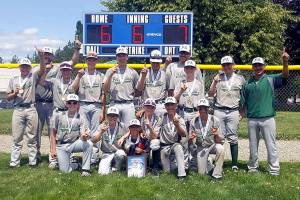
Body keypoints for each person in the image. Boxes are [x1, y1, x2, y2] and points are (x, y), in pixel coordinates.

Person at [240, 51, 290, 176]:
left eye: (260, 65)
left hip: (268, 118)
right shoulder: (247, 84)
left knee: (271, 145)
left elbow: (285, 76)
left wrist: (285, 62)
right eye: (255, 65)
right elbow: (244, 102)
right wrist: (241, 114)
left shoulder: (270, 79)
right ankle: (252, 168)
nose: (258, 67)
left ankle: (274, 169)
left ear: (264, 67)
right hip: (252, 119)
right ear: (252, 67)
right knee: (252, 146)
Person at [34, 39, 81, 162]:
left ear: (52, 56)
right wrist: (44, 69)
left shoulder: (58, 69)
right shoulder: (36, 68)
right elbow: (39, 82)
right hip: (38, 102)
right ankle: (36, 155)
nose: (47, 57)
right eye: (45, 54)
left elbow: (73, 62)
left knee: (53, 131)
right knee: (37, 131)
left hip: (52, 104)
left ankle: (53, 155)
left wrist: (76, 49)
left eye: (48, 55)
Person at [6, 57, 45, 168]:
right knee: (16, 137)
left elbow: (42, 69)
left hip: (31, 108)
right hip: (18, 109)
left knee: (32, 137)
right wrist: (14, 94)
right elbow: (8, 97)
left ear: (29, 68)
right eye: (22, 66)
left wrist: (40, 55)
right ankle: (14, 162)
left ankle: (32, 162)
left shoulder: (32, 77)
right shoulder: (13, 79)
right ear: (19, 67)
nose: (24, 68)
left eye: (26, 66)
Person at [208, 56, 245, 171]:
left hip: (234, 110)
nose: (227, 67)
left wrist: (243, 112)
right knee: (219, 138)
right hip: (219, 110)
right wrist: (214, 82)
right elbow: (210, 94)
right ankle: (219, 162)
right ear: (222, 67)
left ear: (233, 65)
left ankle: (234, 164)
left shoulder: (240, 78)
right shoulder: (218, 78)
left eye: (229, 64)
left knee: (233, 138)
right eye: (224, 65)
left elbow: (245, 97)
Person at [40, 61, 80, 169]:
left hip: (69, 111)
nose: (66, 71)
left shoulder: (74, 82)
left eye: (68, 70)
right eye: (64, 70)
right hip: (57, 111)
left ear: (71, 71)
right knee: (54, 134)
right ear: (61, 71)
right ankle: (53, 158)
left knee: (70, 134)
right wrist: (45, 69)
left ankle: (70, 156)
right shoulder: (55, 81)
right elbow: (42, 81)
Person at [72, 50, 106, 165]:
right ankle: (86, 155)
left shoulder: (101, 75)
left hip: (96, 105)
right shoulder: (81, 74)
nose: (91, 61)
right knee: (84, 131)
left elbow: (103, 94)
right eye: (89, 59)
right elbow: (73, 89)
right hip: (83, 105)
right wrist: (78, 76)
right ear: (86, 61)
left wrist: (103, 109)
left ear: (97, 61)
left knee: (96, 132)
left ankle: (94, 158)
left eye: (94, 59)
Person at [50, 94, 93, 176]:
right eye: (69, 103)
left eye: (74, 103)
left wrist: (84, 136)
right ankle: (76, 164)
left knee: (89, 144)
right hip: (61, 145)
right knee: (65, 171)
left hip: (73, 144)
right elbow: (53, 133)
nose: (72, 105)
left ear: (78, 104)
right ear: (66, 104)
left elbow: (83, 134)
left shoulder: (81, 117)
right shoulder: (58, 116)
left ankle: (85, 170)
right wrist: (53, 149)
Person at [118, 98, 161, 175]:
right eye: (147, 106)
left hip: (151, 141)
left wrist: (149, 126)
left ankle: (155, 168)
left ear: (154, 108)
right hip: (142, 142)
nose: (149, 108)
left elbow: (155, 136)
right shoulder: (139, 117)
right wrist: (123, 137)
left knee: (156, 142)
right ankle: (132, 167)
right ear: (144, 107)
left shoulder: (158, 119)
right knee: (131, 145)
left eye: (151, 107)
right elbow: (132, 129)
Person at [189, 98, 225, 181]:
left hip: (212, 145)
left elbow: (220, 141)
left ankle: (217, 175)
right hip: (201, 147)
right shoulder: (193, 121)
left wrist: (216, 135)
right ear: (198, 109)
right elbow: (191, 143)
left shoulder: (215, 120)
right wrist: (191, 139)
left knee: (221, 149)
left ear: (208, 108)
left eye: (205, 108)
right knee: (202, 174)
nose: (202, 110)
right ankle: (209, 161)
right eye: (200, 108)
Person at [103, 47, 139, 125]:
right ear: (116, 57)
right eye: (119, 56)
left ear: (127, 57)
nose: (121, 58)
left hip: (128, 104)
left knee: (129, 128)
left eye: (123, 55)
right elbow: (105, 90)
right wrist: (110, 76)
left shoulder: (133, 72)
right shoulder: (109, 71)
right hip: (114, 103)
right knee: (113, 128)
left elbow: (139, 89)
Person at [93, 107, 127, 175]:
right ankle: (110, 165)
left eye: (115, 115)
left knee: (121, 153)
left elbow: (129, 132)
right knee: (102, 173)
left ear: (118, 116)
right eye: (110, 115)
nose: (112, 117)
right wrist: (101, 132)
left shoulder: (122, 126)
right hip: (106, 153)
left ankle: (116, 168)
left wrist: (123, 137)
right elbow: (94, 140)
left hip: (118, 152)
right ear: (107, 116)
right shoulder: (102, 126)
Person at [159, 97, 187, 179]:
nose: (170, 107)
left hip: (174, 145)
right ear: (165, 106)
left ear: (176, 106)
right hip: (164, 146)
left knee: (178, 147)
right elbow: (156, 132)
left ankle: (182, 175)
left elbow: (183, 134)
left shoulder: (180, 119)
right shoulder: (161, 118)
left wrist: (177, 125)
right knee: (167, 173)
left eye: (172, 105)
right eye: (168, 105)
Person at [136, 50, 168, 116]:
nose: (155, 64)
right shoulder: (144, 72)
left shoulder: (165, 73)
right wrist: (143, 77)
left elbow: (169, 91)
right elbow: (139, 89)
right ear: (150, 61)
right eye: (153, 62)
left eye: (157, 63)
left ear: (160, 62)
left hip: (160, 105)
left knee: (160, 125)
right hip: (146, 105)